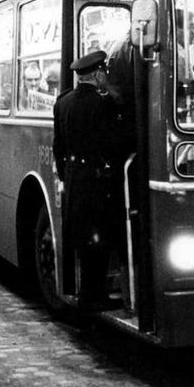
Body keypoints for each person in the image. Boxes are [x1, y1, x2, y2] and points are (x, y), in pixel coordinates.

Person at [52, 50, 125, 310]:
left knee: (84, 241)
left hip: (74, 181)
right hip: (98, 183)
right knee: (100, 241)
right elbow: (113, 143)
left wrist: (66, 176)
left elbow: (58, 147)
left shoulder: (63, 102)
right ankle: (94, 297)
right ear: (96, 74)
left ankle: (87, 294)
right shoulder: (104, 104)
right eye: (103, 72)